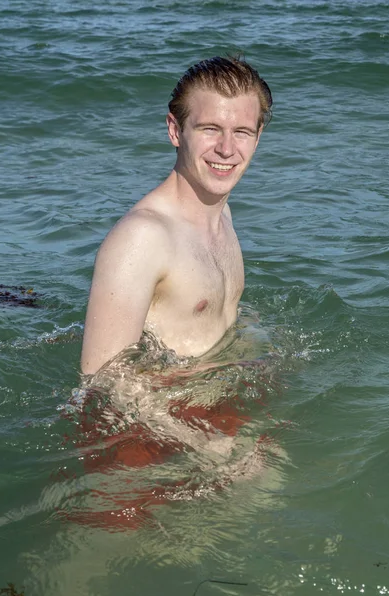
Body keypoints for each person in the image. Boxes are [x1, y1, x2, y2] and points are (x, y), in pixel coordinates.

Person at [80, 56, 273, 375]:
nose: (226, 149)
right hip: (168, 418)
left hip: (217, 401)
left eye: (241, 132)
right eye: (210, 129)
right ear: (175, 130)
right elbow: (101, 385)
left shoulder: (223, 213)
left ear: (258, 136)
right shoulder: (142, 238)